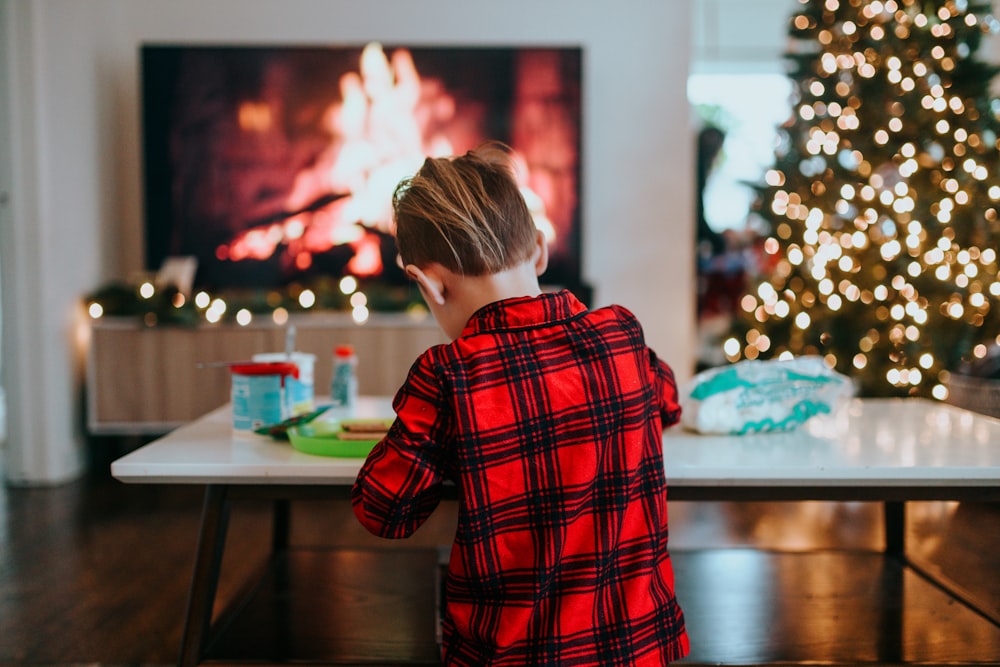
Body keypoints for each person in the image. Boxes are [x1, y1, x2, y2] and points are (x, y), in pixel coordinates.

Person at [352, 142, 689, 666]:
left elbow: (384, 511)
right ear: (539, 249)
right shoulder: (621, 334)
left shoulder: (449, 374)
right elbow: (667, 401)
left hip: (511, 656)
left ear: (427, 283)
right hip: (637, 648)